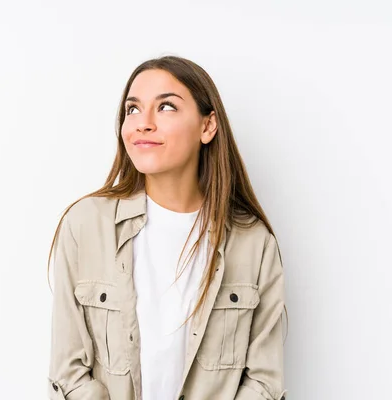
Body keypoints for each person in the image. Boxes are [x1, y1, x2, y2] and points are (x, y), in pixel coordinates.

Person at [46, 55, 288, 400]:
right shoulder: (85, 225)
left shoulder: (254, 244)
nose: (142, 123)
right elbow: (68, 373)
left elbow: (264, 383)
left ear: (208, 126)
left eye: (166, 107)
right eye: (133, 110)